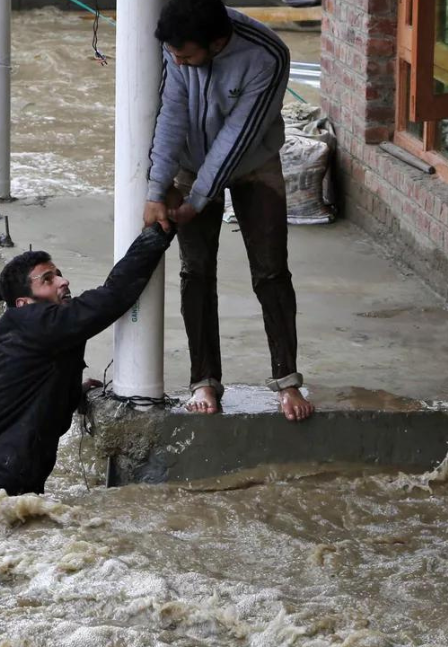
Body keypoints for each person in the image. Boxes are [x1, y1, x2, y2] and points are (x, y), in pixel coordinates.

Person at [144, 0, 315, 422]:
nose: (176, 60)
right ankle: (205, 379)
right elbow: (170, 116)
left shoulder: (266, 54)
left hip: (253, 161)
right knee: (196, 271)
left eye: (185, 56)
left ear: (217, 43)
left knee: (271, 270)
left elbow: (238, 137)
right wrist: (156, 189)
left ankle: (287, 380)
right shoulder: (177, 48)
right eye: (172, 54)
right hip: (190, 161)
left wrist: (198, 200)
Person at [0, 225, 174, 496]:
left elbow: (24, 397)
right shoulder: (39, 322)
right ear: (24, 303)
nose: (62, 282)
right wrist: (159, 231)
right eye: (47, 279)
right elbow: (113, 296)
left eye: (59, 274)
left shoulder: (24, 332)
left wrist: (73, 394)